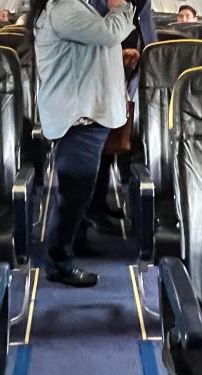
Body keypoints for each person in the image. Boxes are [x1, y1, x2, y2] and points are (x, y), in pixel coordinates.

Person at [31, 0, 136, 287]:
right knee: (73, 194)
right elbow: (109, 33)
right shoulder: (65, 8)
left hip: (88, 115)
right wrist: (121, 7)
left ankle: (76, 240)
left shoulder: (76, 8)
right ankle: (58, 261)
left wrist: (116, 57)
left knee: (83, 188)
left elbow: (91, 50)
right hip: (79, 120)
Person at [83, 0, 155, 250]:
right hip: (91, 79)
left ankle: (98, 203)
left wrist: (147, 56)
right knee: (91, 145)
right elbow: (92, 35)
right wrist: (116, 55)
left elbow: (146, 31)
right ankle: (86, 217)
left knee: (111, 143)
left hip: (125, 75)